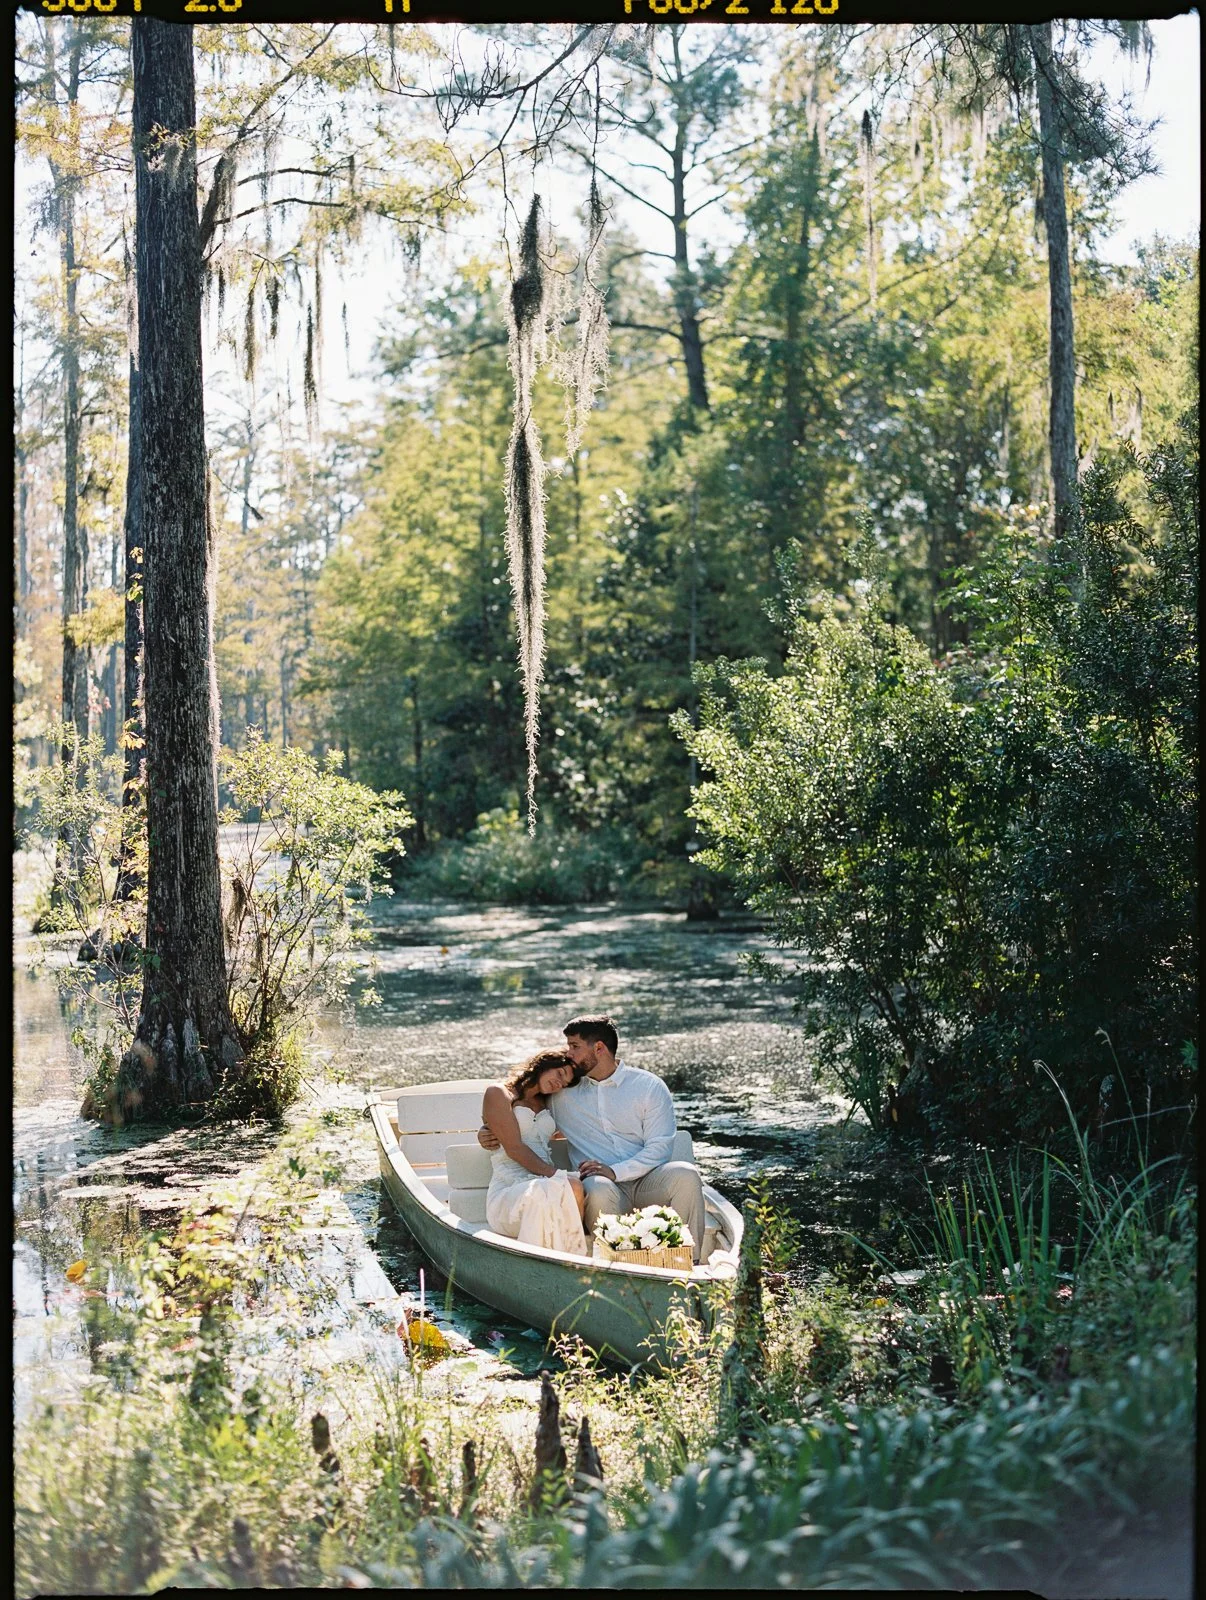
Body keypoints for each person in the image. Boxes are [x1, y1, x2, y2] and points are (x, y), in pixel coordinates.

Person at [480, 1015, 706, 1263]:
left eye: (575, 1046)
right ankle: (615, 1266)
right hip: (597, 1183)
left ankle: (689, 1263)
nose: (569, 1053)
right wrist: (486, 1131)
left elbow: (660, 1148)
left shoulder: (648, 1086)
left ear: (599, 1048)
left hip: (647, 1180)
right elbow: (521, 1113)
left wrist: (616, 1171)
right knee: (599, 1187)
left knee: (686, 1174)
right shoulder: (562, 1092)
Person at [482, 1049, 590, 1256]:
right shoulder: (499, 1093)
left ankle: (573, 1260)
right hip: (509, 1189)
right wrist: (559, 1175)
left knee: (575, 1186)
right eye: (560, 1074)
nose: (559, 1083)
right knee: (549, 1190)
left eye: (565, 1083)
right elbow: (514, 1149)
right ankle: (542, 1264)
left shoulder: (548, 1103)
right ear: (543, 1064)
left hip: (545, 1181)